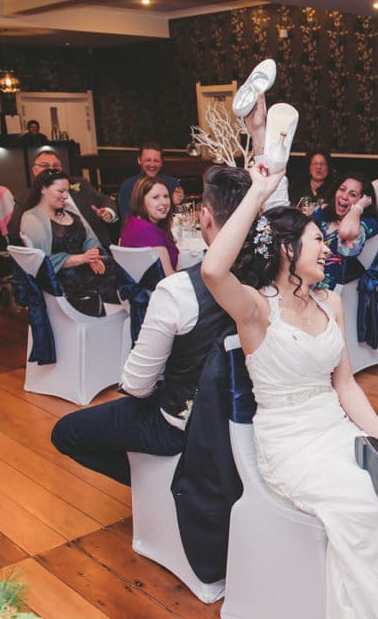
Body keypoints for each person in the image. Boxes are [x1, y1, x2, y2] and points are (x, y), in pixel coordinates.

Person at [200, 165, 378, 619]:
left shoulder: (331, 302)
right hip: (290, 444)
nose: (328, 248)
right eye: (316, 241)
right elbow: (212, 269)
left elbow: (345, 383)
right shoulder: (255, 309)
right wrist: (260, 191)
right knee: (375, 510)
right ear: (288, 251)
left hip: (337, 429)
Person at [50, 165, 252, 485]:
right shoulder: (271, 279)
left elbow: (137, 385)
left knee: (65, 432)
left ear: (205, 219)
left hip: (185, 426)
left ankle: (160, 486)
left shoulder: (177, 290)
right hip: (247, 418)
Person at [19, 169, 121, 316]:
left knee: (119, 270)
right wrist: (82, 258)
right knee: (117, 282)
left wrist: (94, 257)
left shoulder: (68, 210)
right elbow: (43, 261)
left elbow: (90, 239)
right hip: (64, 279)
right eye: (61, 191)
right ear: (43, 189)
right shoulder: (31, 219)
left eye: (67, 191)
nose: (66, 196)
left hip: (87, 267)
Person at [9, 147, 119, 250]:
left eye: (56, 166)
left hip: (98, 244)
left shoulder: (80, 184)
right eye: (46, 166)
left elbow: (104, 199)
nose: (51, 170)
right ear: (35, 170)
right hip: (60, 253)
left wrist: (108, 212)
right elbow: (14, 232)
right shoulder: (24, 198)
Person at [311, 172, 378, 290]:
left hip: (336, 290)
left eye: (352, 194)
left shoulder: (368, 223)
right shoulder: (322, 213)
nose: (344, 196)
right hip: (307, 282)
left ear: (363, 200)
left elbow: (346, 239)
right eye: (342, 189)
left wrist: (357, 208)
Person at [119, 176, 179, 275]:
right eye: (156, 197)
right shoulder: (148, 231)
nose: (164, 202)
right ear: (141, 201)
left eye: (166, 196)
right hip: (158, 288)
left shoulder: (132, 222)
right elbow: (169, 278)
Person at [118, 142, 184, 220]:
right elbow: (127, 219)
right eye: (148, 160)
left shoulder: (172, 182)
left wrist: (176, 205)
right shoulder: (128, 186)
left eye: (156, 161)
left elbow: (184, 215)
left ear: (161, 163)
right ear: (139, 160)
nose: (152, 164)